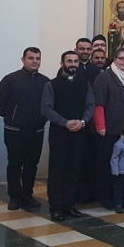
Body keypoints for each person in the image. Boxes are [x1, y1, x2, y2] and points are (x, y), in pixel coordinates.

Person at [0, 47, 49, 211]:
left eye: (37, 58)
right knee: (15, 164)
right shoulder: (10, 79)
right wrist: (13, 117)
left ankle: (27, 195)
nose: (34, 61)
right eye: (31, 58)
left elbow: (49, 106)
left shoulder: (45, 82)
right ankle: (14, 197)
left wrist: (42, 119)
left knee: (32, 165)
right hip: (14, 130)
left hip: (36, 131)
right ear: (23, 60)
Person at [42, 51, 95, 218]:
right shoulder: (52, 84)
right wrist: (64, 122)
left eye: (75, 61)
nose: (73, 64)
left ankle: (70, 205)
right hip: (59, 133)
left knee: (74, 169)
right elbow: (46, 109)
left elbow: (90, 104)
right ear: (62, 63)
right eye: (69, 61)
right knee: (57, 170)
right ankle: (56, 207)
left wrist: (83, 122)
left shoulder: (84, 83)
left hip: (79, 132)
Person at [92, 48, 124, 209]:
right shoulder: (104, 77)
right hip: (110, 129)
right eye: (121, 58)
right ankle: (107, 198)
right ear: (115, 59)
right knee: (108, 165)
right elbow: (98, 104)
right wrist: (100, 125)